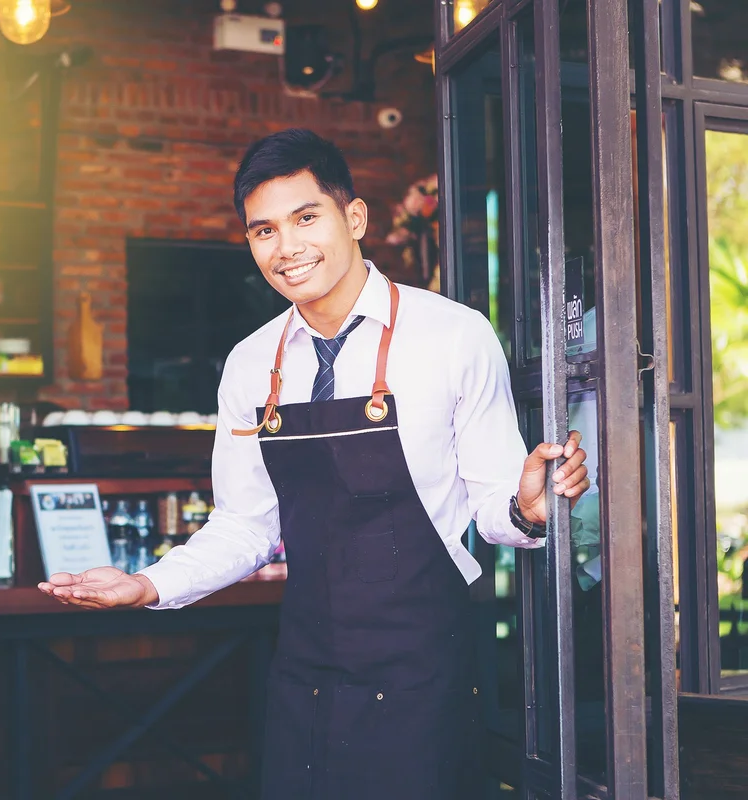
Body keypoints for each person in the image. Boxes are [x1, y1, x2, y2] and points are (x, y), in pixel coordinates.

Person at [38, 128, 589, 800]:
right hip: (307, 669)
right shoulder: (251, 363)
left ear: (353, 218)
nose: (287, 248)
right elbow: (246, 525)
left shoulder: (452, 335)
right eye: (263, 231)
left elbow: (494, 501)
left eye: (306, 218)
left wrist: (526, 508)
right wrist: (146, 585)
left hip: (421, 670)